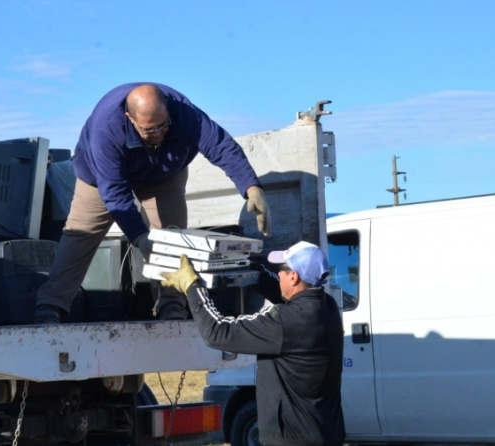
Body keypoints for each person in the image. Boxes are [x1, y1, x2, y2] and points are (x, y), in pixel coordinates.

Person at [33, 82, 271, 323]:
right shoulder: (105, 130)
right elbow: (115, 193)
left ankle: (172, 307)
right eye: (149, 129)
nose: (158, 134)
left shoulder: (185, 112)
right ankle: (50, 307)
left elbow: (221, 146)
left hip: (164, 174)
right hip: (100, 178)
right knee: (80, 235)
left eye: (163, 125)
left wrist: (251, 187)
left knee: (172, 238)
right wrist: (139, 236)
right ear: (130, 118)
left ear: (167, 109)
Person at [160, 241, 345, 445]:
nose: (279, 274)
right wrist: (250, 267)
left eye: (281, 269)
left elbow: (218, 331)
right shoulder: (327, 307)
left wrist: (192, 287)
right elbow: (288, 296)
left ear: (293, 276)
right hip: (324, 434)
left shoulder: (285, 322)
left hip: (293, 440)